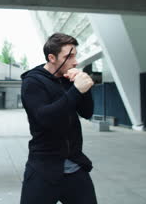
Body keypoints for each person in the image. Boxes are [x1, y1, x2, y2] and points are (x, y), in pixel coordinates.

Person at [19, 33, 97, 204]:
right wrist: (76, 91)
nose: (75, 61)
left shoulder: (68, 79)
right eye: (68, 56)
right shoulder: (33, 82)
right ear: (52, 57)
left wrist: (84, 87)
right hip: (43, 168)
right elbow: (45, 118)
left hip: (75, 166)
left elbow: (87, 112)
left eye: (75, 55)